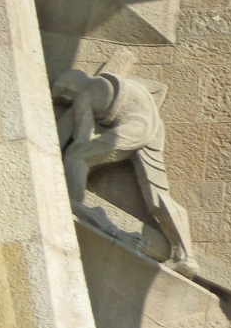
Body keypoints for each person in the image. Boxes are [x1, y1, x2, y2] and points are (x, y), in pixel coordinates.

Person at [51, 68, 197, 276]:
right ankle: (187, 257)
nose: (66, 101)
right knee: (158, 195)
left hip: (134, 128)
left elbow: (81, 139)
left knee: (76, 156)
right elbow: (158, 89)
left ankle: (74, 199)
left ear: (69, 87)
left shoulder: (86, 94)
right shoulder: (119, 81)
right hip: (153, 126)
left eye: (64, 97)